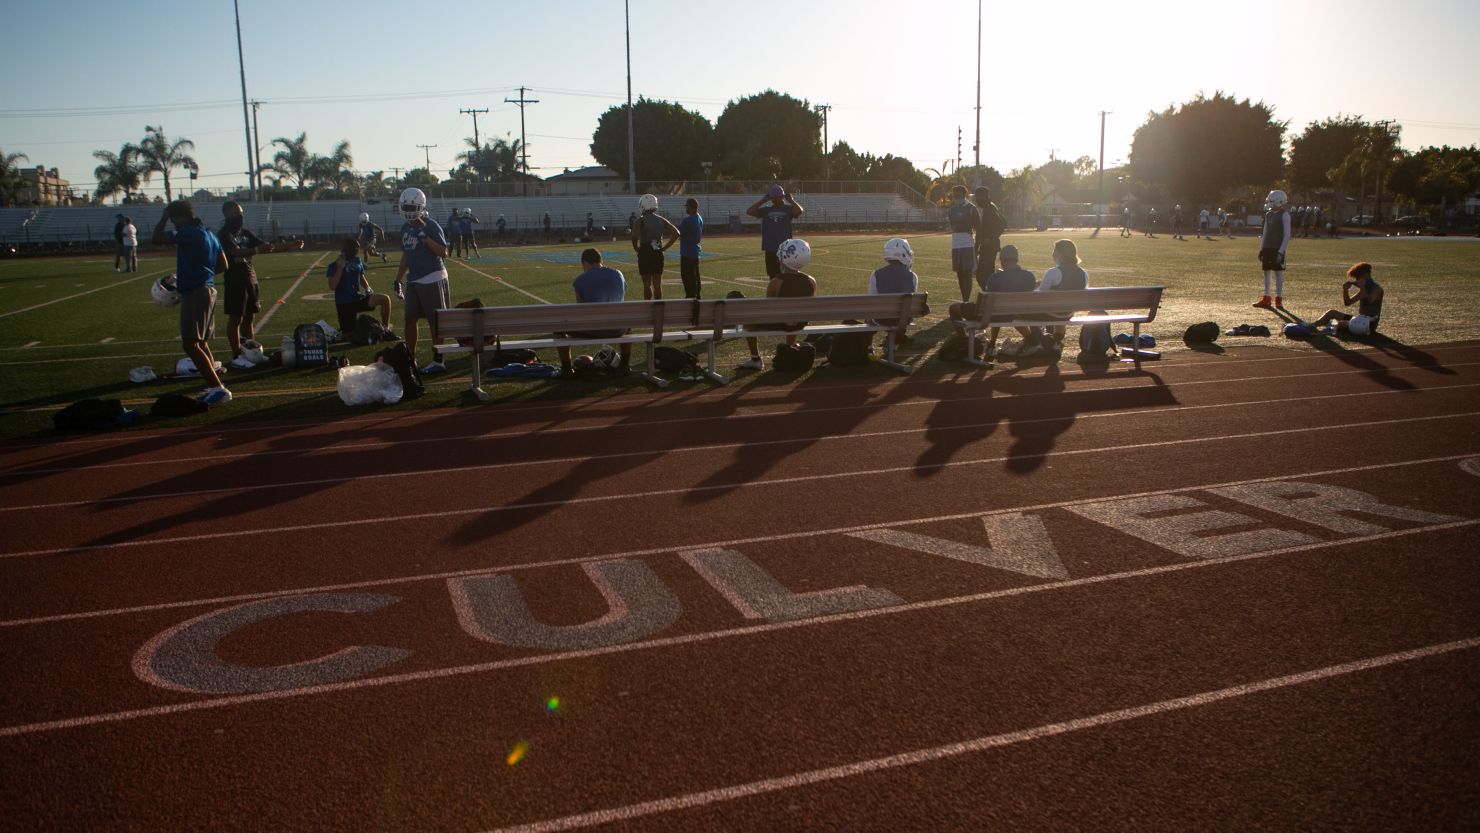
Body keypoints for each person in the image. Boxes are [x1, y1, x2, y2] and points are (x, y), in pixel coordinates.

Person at [152, 200, 231, 404]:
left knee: (190, 343)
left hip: (196, 291)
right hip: (208, 288)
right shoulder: (209, 233)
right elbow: (223, 264)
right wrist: (203, 274)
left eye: (172, 219)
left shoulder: (187, 231)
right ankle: (214, 385)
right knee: (200, 342)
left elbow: (157, 238)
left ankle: (218, 388)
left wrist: (162, 218)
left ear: (177, 217)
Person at [219, 200, 304, 368]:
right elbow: (234, 251)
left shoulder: (245, 232)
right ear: (227, 215)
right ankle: (237, 355)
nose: (240, 216)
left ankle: (250, 351)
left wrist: (288, 246)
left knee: (250, 317)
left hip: (250, 278)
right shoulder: (224, 234)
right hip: (235, 280)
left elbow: (266, 247)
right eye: (236, 213)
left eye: (241, 213)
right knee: (236, 318)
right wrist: (256, 250)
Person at [393, 187, 453, 375]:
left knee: (434, 321)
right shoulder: (404, 228)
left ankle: (438, 359)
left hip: (432, 277)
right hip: (414, 280)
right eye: (406, 206)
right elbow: (406, 256)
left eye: (412, 205)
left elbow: (444, 252)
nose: (409, 209)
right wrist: (398, 279)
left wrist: (426, 239)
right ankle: (411, 357)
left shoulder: (431, 225)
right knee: (409, 319)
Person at [738, 238, 817, 369]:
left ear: (785, 258)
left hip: (778, 322)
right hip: (800, 322)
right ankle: (789, 346)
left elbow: (770, 308)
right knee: (795, 315)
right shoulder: (811, 281)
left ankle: (755, 358)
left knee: (749, 319)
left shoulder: (776, 282)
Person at [557, 248, 631, 375]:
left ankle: (566, 369)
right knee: (629, 325)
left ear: (585, 263)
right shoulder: (618, 274)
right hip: (618, 329)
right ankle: (624, 365)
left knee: (558, 329)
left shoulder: (580, 280)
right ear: (600, 260)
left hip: (593, 329)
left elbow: (581, 310)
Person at [329, 237, 393, 335]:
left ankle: (386, 329)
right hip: (344, 304)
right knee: (349, 335)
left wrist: (367, 288)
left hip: (358, 298)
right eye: (355, 249)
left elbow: (361, 277)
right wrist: (340, 267)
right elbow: (332, 286)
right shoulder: (334, 265)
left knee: (385, 299)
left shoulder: (357, 260)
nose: (357, 251)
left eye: (357, 249)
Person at [1036, 238, 1089, 349]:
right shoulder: (1084, 273)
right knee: (1060, 306)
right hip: (1069, 313)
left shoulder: (1053, 272)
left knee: (1026, 311)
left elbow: (1039, 296)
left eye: (1054, 250)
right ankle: (1056, 340)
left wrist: (1035, 287)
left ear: (1060, 254)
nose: (1052, 254)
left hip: (1052, 313)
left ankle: (1037, 341)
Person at [868, 237, 918, 348]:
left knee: (869, 314)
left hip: (881, 319)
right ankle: (895, 341)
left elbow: (871, 301)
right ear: (903, 254)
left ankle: (868, 347)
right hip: (904, 320)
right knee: (904, 311)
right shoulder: (912, 277)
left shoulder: (876, 275)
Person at [746, 184, 804, 280]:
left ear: (782, 197)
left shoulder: (788, 209)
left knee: (787, 275)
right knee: (773, 276)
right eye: (774, 198)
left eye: (778, 197)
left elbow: (800, 211)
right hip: (770, 247)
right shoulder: (766, 210)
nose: (776, 200)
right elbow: (749, 211)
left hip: (785, 249)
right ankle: (775, 293)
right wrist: (763, 200)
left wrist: (791, 201)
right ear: (771, 198)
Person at [1311, 262, 1383, 336]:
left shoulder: (1377, 289)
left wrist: (1362, 287)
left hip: (1369, 324)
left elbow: (1367, 303)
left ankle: (1328, 329)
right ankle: (1312, 326)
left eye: (1358, 278)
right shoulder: (1364, 289)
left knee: (1340, 324)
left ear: (1366, 275)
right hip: (1359, 319)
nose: (1357, 280)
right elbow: (1348, 303)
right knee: (1331, 312)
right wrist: (1345, 290)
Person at [631, 194, 679, 300]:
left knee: (647, 284)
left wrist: (636, 248)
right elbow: (676, 233)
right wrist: (665, 248)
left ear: (643, 205)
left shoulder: (640, 220)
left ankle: (647, 307)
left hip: (645, 251)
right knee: (657, 284)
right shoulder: (662, 220)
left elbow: (635, 237)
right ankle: (658, 307)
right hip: (657, 249)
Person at [1254, 189, 1292, 309]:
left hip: (1277, 248)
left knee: (1278, 273)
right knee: (1266, 272)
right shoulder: (1268, 214)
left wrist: (1281, 251)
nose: (1269, 203)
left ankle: (1279, 299)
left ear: (1278, 201)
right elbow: (1265, 233)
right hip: (1268, 247)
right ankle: (1266, 297)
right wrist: (1261, 248)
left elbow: (1287, 235)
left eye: (1271, 201)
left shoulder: (1285, 215)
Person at [943, 185, 981, 302]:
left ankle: (966, 299)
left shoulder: (971, 208)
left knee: (967, 273)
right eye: (955, 195)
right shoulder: (952, 209)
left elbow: (979, 228)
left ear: (964, 195)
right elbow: (952, 225)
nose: (956, 197)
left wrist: (977, 246)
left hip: (968, 244)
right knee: (959, 273)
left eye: (959, 195)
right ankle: (964, 298)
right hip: (956, 245)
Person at [974, 186, 1005, 297]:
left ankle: (990, 295)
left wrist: (991, 238)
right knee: (986, 273)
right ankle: (991, 294)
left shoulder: (990, 208)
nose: (976, 200)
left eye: (977, 197)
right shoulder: (989, 207)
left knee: (982, 274)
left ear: (983, 196)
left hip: (989, 246)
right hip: (989, 245)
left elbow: (1002, 223)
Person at [678, 197, 704, 299]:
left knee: (687, 277)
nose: (686, 209)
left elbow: (679, 233)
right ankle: (697, 295)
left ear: (691, 207)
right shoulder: (699, 218)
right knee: (695, 276)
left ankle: (690, 297)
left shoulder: (687, 220)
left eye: (687, 207)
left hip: (687, 252)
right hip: (695, 251)